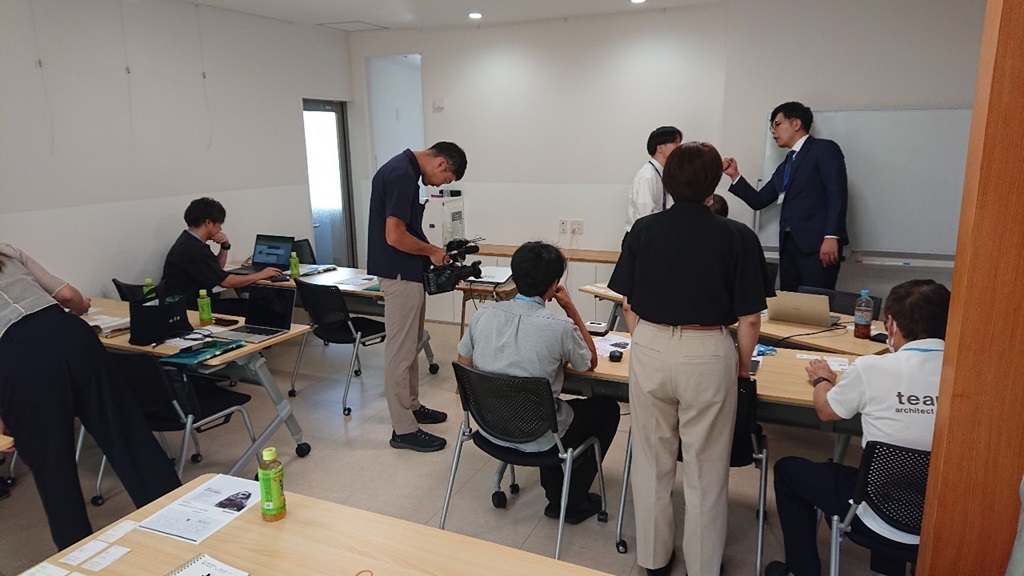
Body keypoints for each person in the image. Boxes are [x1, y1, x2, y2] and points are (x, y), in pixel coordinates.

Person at [608, 142, 772, 576]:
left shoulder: (643, 230)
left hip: (651, 344)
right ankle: (702, 565)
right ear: (714, 182)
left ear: (668, 181)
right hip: (708, 349)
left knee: (651, 459)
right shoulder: (738, 236)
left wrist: (647, 340)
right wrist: (741, 367)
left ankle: (653, 559)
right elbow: (750, 318)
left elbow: (627, 300)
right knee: (706, 466)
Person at [0, 244, 182, 550]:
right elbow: (69, 296)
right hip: (70, 335)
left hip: (17, 359)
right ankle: (182, 523)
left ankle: (79, 554)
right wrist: (81, 307)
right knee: (128, 435)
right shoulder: (5, 250)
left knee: (53, 468)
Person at [765, 279, 951, 576]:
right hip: (945, 518)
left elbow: (827, 411)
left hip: (875, 514)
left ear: (891, 325)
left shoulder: (871, 368)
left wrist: (822, 380)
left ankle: (803, 570)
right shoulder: (970, 375)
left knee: (789, 471)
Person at [457, 241, 620, 523]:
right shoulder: (559, 328)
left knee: (548, 407)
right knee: (607, 409)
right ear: (554, 284)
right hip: (539, 434)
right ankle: (570, 501)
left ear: (514, 276)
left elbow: (464, 367)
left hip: (489, 426)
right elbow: (590, 362)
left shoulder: (482, 316)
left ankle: (557, 490)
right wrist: (570, 308)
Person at [367, 142, 467, 452]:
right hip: (399, 275)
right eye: (445, 180)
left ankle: (412, 406)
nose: (440, 185)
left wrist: (431, 254)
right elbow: (394, 235)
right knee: (400, 353)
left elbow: (406, 229)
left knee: (411, 345)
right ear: (441, 163)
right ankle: (404, 429)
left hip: (407, 272)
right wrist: (432, 250)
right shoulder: (402, 175)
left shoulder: (403, 170)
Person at [723, 101, 848, 291]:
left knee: (815, 303)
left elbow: (836, 194)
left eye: (777, 124)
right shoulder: (787, 164)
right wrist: (735, 175)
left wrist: (831, 236)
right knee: (790, 303)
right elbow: (759, 200)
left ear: (796, 124)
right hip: (789, 247)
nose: (773, 131)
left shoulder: (824, 149)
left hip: (818, 246)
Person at [161, 197, 283, 314]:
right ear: (208, 222)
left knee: (251, 305)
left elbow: (217, 269)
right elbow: (226, 282)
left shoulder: (188, 241)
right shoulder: (194, 249)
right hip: (193, 307)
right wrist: (261, 274)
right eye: (219, 223)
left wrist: (224, 247)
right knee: (257, 307)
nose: (220, 228)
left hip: (190, 303)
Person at [625, 126, 683, 239]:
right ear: (660, 148)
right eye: (676, 143)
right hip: (643, 236)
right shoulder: (647, 176)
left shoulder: (663, 173)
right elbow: (644, 215)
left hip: (654, 233)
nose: (679, 147)